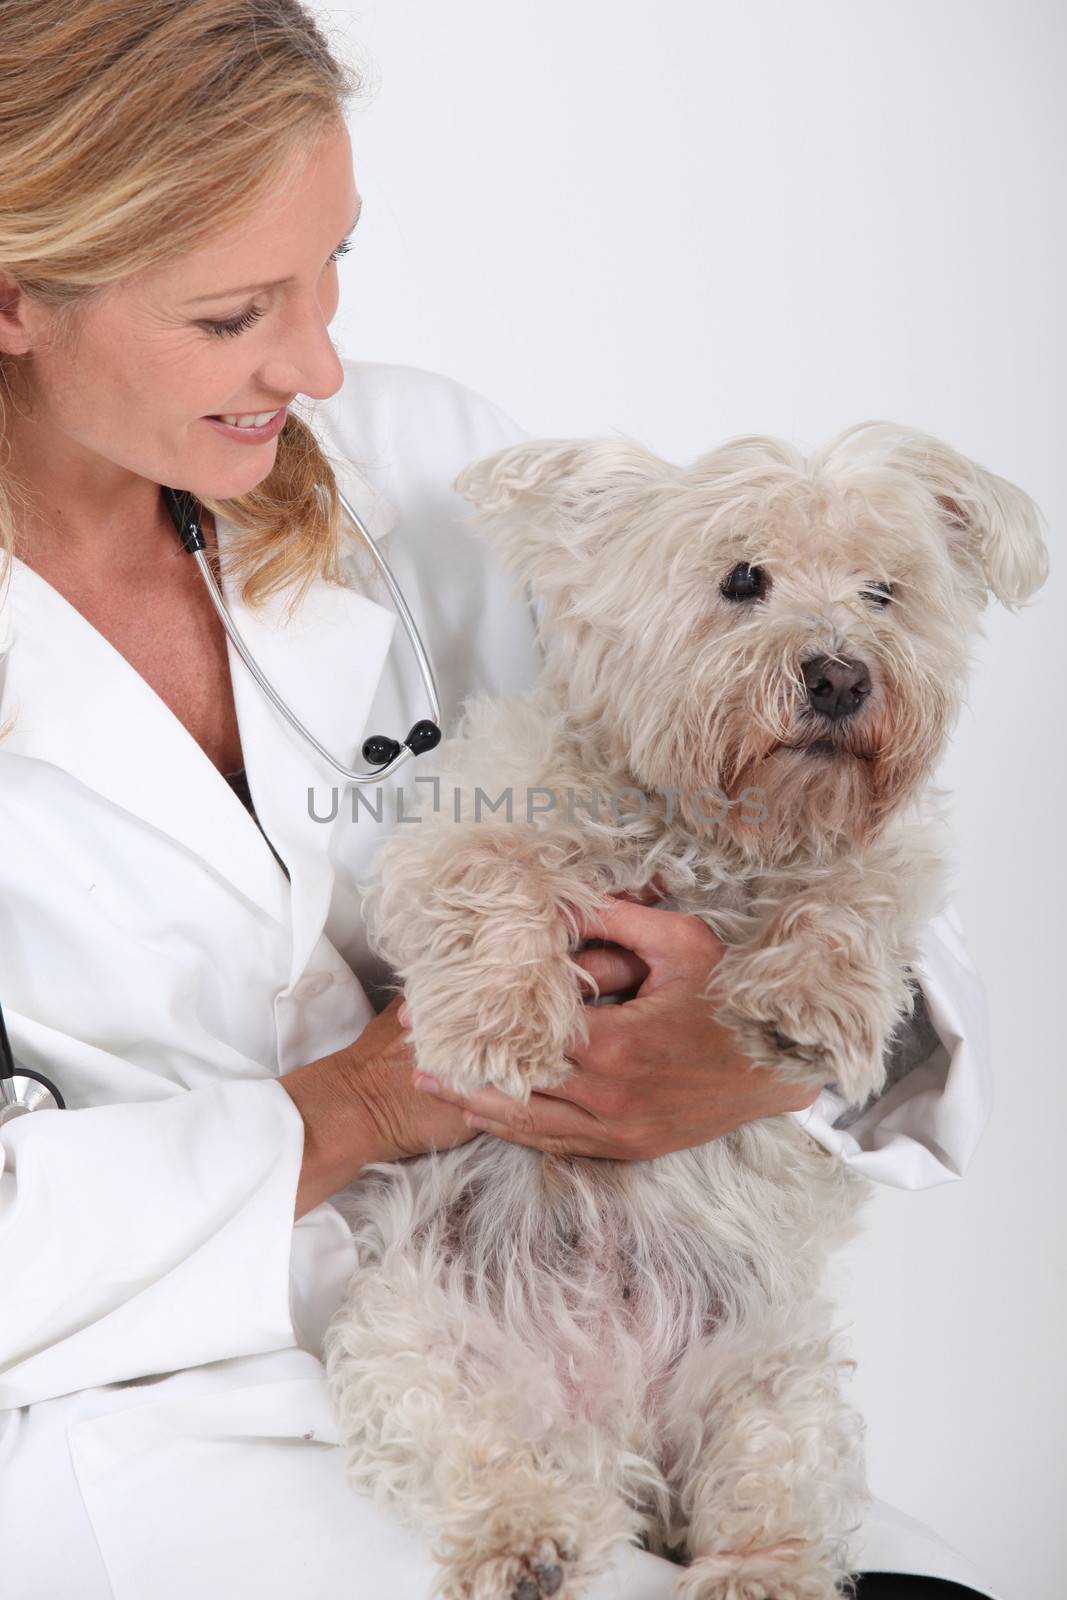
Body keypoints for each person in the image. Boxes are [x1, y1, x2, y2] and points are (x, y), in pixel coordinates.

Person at [0, 4, 1002, 1597]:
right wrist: (372, 1104)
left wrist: (741, 1049)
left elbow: (791, 811)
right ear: (13, 300)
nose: (318, 362)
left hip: (657, 1327)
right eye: (237, 312)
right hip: (170, 1407)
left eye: (335, 265)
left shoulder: (415, 468)